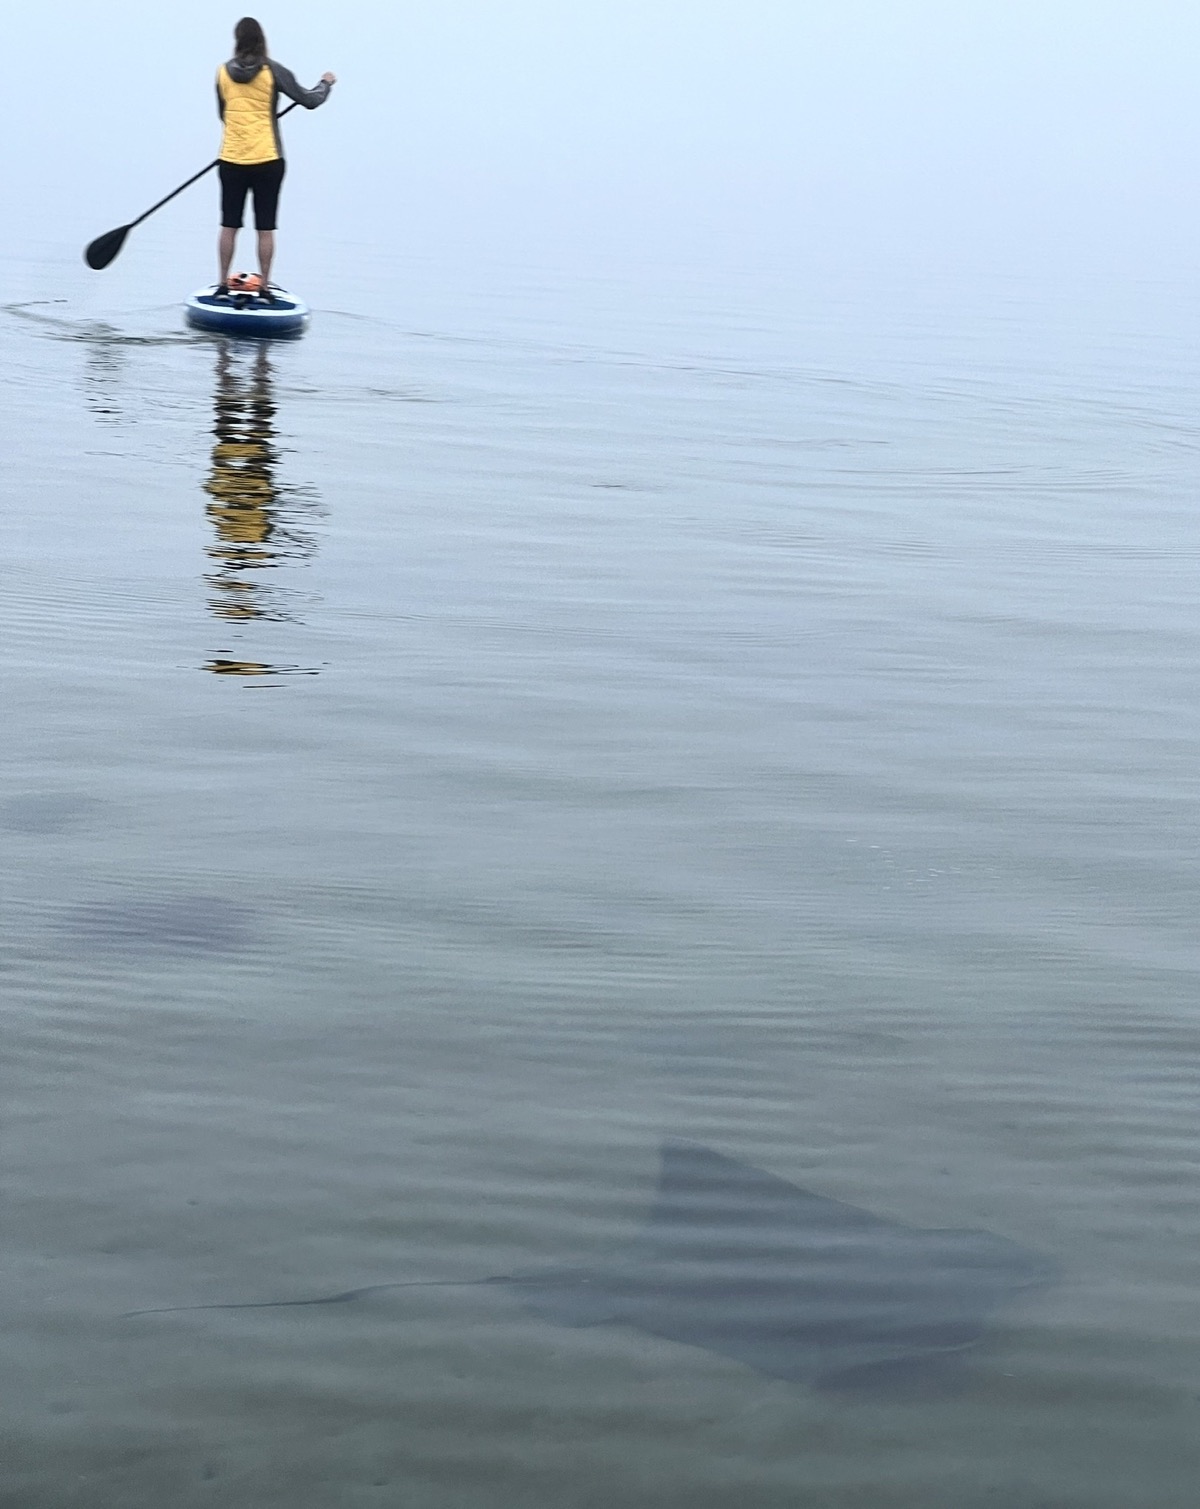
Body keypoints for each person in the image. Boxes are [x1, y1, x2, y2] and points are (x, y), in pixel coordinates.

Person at [215, 17, 335, 300]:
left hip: (231, 159)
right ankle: (265, 286)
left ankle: (221, 284)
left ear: (237, 40)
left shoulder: (221, 73)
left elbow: (224, 115)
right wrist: (325, 83)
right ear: (262, 40)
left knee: (229, 224)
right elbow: (309, 100)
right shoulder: (273, 71)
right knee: (265, 227)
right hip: (268, 160)